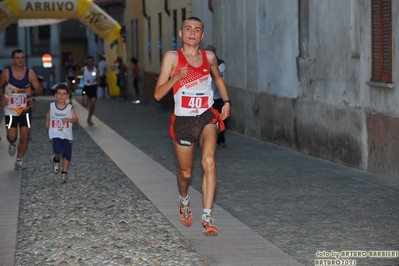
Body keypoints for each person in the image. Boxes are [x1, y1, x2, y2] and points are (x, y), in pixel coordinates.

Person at [154, 17, 231, 236]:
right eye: (188, 29)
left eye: (197, 30)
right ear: (181, 33)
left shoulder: (209, 57)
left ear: (202, 35)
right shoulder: (172, 57)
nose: (192, 33)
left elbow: (218, 79)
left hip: (207, 117)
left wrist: (225, 102)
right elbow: (158, 94)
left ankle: (207, 216)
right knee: (186, 174)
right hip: (183, 121)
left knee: (209, 161)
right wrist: (177, 76)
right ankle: (184, 199)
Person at [0, 49, 43, 169]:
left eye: (22, 57)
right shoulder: (6, 74)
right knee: (12, 136)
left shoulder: (30, 74)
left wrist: (33, 92)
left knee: (25, 135)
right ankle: (12, 143)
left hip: (25, 109)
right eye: (18, 58)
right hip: (11, 109)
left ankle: (19, 160)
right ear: (12, 60)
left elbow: (39, 90)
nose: (20, 60)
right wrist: (2, 98)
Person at [46, 83, 78, 183]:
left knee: (67, 154)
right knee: (58, 150)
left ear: (67, 96)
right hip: (56, 133)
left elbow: (76, 119)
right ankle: (56, 159)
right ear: (55, 95)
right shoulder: (52, 106)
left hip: (67, 135)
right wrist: (47, 120)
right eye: (59, 93)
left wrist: (68, 119)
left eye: (64, 94)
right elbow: (48, 113)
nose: (61, 96)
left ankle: (64, 173)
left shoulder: (69, 108)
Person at [204, 45, 227, 147]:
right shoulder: (202, 63)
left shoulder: (220, 64)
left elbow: (217, 77)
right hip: (205, 97)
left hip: (217, 97)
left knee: (220, 119)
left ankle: (220, 140)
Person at [75, 55, 99, 126]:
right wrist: (75, 83)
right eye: (89, 61)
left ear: (93, 62)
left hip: (93, 88)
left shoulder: (96, 69)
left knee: (92, 105)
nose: (90, 63)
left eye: (91, 61)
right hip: (86, 88)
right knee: (85, 104)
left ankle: (89, 118)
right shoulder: (83, 69)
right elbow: (76, 74)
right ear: (86, 62)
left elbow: (99, 79)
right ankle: (86, 101)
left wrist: (98, 79)